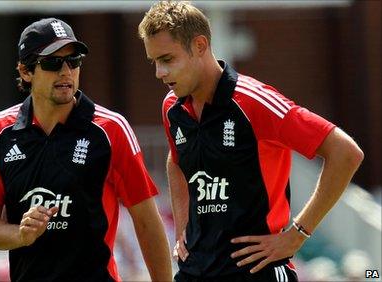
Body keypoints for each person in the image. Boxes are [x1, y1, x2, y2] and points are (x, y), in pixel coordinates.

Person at [138, 1, 364, 281]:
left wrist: (298, 234)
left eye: (168, 59)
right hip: (195, 270)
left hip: (257, 271)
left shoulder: (254, 101)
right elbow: (176, 161)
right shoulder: (172, 107)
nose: (160, 72)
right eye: (154, 62)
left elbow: (345, 152)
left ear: (199, 45)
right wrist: (183, 225)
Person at [0, 17, 172, 282]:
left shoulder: (111, 129)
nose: (66, 71)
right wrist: (20, 234)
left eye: (74, 61)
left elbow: (147, 220)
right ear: (25, 71)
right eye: (53, 62)